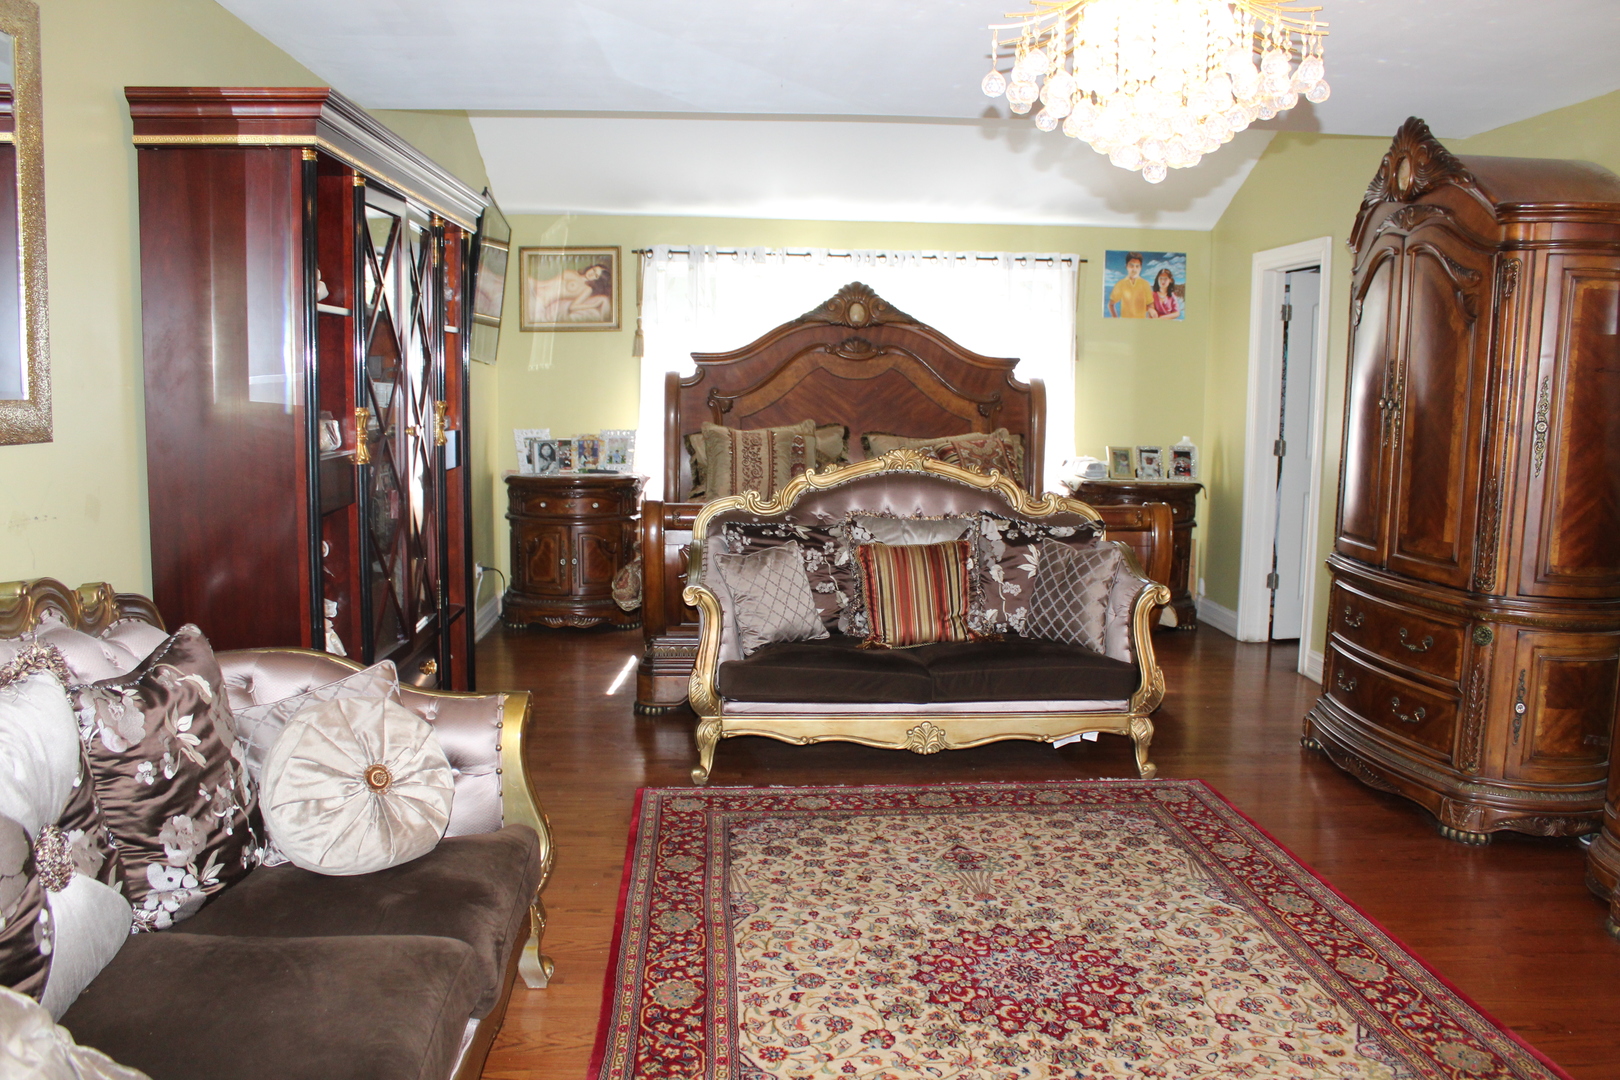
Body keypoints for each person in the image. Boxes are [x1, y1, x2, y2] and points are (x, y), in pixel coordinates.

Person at [529, 261, 613, 323]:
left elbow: (573, 307)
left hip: (539, 301)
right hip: (533, 285)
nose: (592, 274)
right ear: (591, 267)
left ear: (597, 280)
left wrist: (593, 304)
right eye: (594, 270)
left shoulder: (587, 289)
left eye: (596, 275)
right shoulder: (575, 273)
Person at [1108, 253, 1153, 318]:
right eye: (1131, 266)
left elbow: (1150, 305)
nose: (1134, 269)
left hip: (1141, 324)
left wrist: (1148, 324)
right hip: (1125, 324)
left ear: (1140, 268)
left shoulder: (1145, 284)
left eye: (1137, 266)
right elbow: (1111, 304)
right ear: (1127, 266)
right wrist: (1115, 319)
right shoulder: (1120, 284)